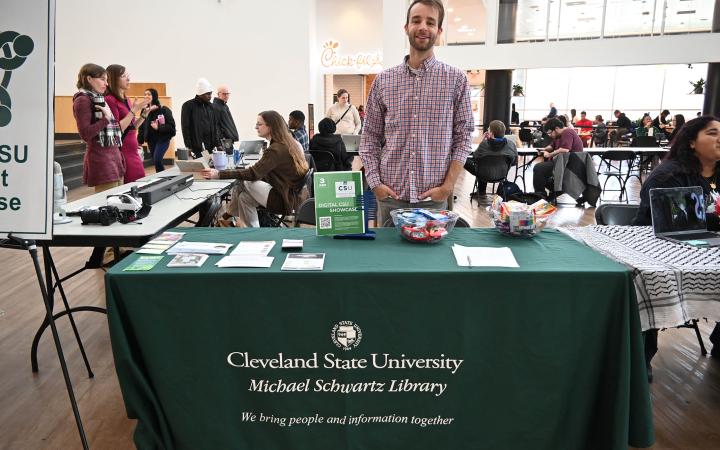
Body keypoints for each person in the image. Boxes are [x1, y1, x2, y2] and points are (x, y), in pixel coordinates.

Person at [359, 0, 474, 225]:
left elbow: (463, 138)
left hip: (433, 197)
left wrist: (447, 187)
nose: (423, 27)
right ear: (406, 28)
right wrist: (375, 183)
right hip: (391, 196)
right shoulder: (384, 81)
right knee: (389, 260)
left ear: (439, 31)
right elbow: (369, 137)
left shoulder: (456, 80)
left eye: (430, 22)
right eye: (416, 20)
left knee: (431, 260)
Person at [632, 115, 720, 363]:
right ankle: (641, 358)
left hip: (710, 248)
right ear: (692, 142)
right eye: (712, 133)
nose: (719, 139)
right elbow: (662, 226)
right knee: (647, 279)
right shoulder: (669, 176)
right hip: (659, 248)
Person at [201, 110, 309, 227]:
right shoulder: (285, 143)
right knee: (244, 198)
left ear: (271, 126)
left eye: (259, 124)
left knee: (244, 181)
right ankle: (251, 231)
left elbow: (253, 174)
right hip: (289, 195)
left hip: (284, 200)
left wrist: (219, 174)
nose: (255, 127)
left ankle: (226, 217)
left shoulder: (276, 149)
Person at [72, 63, 124, 192]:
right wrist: (105, 119)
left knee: (118, 206)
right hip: (102, 161)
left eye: (106, 80)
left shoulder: (99, 98)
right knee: (108, 206)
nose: (106, 83)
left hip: (113, 160)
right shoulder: (82, 100)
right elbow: (85, 134)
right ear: (89, 79)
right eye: (102, 79)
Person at [104, 64, 152, 183]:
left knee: (140, 183)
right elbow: (117, 129)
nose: (128, 79)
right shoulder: (110, 99)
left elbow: (132, 127)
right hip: (122, 152)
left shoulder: (127, 99)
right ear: (114, 79)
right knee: (131, 187)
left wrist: (143, 115)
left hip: (133, 151)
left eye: (128, 75)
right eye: (124, 76)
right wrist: (133, 111)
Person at [533, 117, 583, 198]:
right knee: (542, 172)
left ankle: (540, 196)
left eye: (550, 132)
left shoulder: (568, 132)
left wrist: (549, 155)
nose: (549, 135)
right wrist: (544, 149)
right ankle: (554, 192)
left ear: (556, 128)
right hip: (562, 162)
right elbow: (552, 146)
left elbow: (565, 149)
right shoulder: (559, 135)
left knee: (539, 168)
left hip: (569, 164)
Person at [464, 120, 517, 193]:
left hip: (483, 174)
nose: (487, 130)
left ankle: (481, 191)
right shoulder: (511, 144)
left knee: (465, 160)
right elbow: (514, 162)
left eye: (488, 129)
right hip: (502, 174)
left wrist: (483, 140)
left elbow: (475, 157)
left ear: (491, 133)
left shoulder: (484, 144)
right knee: (484, 163)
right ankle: (485, 190)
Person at [138, 88, 176, 173]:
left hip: (163, 139)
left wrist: (158, 127)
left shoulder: (164, 109)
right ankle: (160, 178)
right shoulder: (144, 111)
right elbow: (141, 127)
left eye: (149, 94)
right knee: (156, 161)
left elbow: (172, 128)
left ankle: (164, 178)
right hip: (151, 141)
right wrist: (139, 141)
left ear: (154, 96)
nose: (146, 96)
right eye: (145, 94)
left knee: (157, 159)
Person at [181, 78, 220, 158]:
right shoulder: (188, 106)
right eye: (208, 94)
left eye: (211, 93)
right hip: (197, 147)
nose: (210, 96)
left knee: (211, 168)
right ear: (201, 93)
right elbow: (185, 127)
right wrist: (189, 146)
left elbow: (215, 126)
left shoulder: (211, 107)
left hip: (211, 146)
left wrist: (217, 144)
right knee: (202, 168)